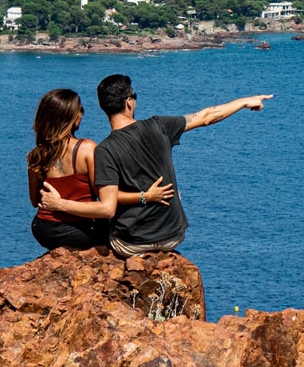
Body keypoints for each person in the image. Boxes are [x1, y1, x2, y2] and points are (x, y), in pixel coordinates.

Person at [39, 74, 272, 258]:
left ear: (104, 108)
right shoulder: (160, 126)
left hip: (129, 245)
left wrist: (59, 204)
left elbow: (107, 206)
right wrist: (243, 101)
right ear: (129, 102)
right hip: (173, 237)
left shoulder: (105, 150)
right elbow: (207, 116)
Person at [26, 88, 174, 250]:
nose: (82, 114)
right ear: (69, 116)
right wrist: (145, 196)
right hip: (79, 231)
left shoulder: (36, 156)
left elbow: (35, 201)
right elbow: (106, 202)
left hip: (43, 230)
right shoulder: (86, 149)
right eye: (80, 109)